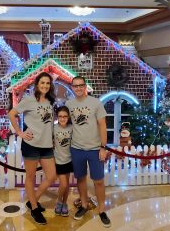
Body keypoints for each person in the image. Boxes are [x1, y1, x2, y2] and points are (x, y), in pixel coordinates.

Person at [8, 72, 57, 225]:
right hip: (31, 145)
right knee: (30, 177)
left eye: (48, 83)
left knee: (51, 176)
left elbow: (48, 123)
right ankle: (35, 208)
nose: (45, 86)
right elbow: (12, 113)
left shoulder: (50, 102)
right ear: (37, 84)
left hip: (47, 145)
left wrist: (53, 138)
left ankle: (32, 200)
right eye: (42, 83)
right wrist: (20, 133)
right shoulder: (29, 100)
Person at [65, 76, 111, 228]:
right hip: (76, 148)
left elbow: (102, 125)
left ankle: (102, 209)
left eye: (81, 85)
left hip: (94, 149)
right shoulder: (69, 104)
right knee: (81, 179)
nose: (78, 88)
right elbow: (65, 123)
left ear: (85, 87)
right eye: (75, 86)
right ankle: (84, 205)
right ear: (72, 87)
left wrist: (103, 147)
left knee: (98, 181)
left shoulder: (95, 103)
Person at [53, 106, 73, 217]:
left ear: (68, 117)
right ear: (57, 117)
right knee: (63, 184)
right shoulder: (54, 128)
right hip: (58, 159)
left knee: (67, 184)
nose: (62, 118)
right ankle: (59, 201)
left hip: (69, 159)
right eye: (60, 116)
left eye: (65, 116)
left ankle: (64, 204)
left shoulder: (71, 128)